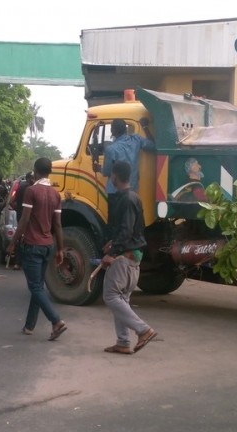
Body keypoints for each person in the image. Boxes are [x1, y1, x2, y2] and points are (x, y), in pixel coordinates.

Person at [6, 157, 67, 341]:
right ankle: (29, 326)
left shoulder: (32, 191)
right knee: (38, 286)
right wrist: (60, 249)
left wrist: (12, 243)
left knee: (34, 287)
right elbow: (58, 225)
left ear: (35, 171)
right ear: (50, 171)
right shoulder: (56, 195)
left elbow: (24, 220)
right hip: (48, 245)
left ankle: (56, 321)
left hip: (32, 245)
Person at [101, 160, 157, 355]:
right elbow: (133, 230)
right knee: (122, 298)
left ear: (115, 176)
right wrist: (113, 243)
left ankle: (143, 330)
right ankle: (123, 342)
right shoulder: (134, 198)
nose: (110, 178)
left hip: (125, 256)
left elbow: (125, 231)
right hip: (134, 254)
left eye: (111, 175)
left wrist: (111, 253)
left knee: (110, 296)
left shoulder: (125, 200)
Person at [94, 118, 155, 239]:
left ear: (113, 131)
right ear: (125, 129)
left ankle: (116, 252)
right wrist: (146, 127)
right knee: (131, 224)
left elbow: (107, 172)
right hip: (132, 191)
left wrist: (98, 168)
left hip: (115, 194)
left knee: (115, 226)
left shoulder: (111, 149)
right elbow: (153, 146)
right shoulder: (136, 139)